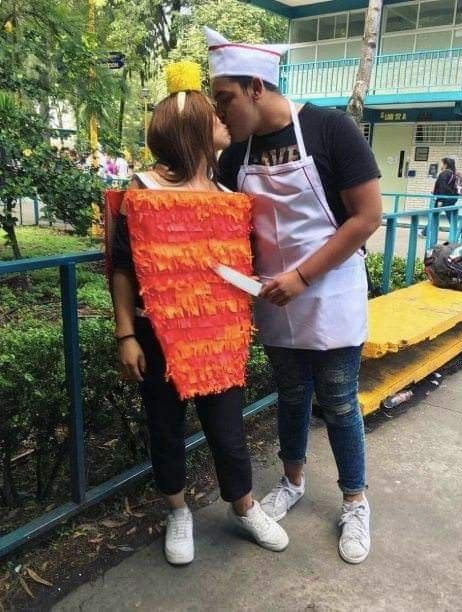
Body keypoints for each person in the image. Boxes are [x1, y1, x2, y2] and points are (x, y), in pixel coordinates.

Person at [205, 27, 383, 564]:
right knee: (289, 396)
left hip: (328, 293)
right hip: (272, 299)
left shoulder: (329, 129)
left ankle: (355, 500)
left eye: (226, 99)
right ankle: (293, 479)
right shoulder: (235, 156)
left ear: (257, 87)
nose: (222, 113)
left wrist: (302, 278)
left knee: (337, 400)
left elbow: (367, 217)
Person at [110, 61, 288, 566]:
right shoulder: (141, 192)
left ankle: (244, 505)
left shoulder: (232, 198)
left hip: (219, 339)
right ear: (194, 130)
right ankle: (178, 511)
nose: (225, 123)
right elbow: (122, 268)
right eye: (215, 117)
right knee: (165, 430)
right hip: (158, 336)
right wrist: (127, 334)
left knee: (228, 432)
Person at [421, 157, 458, 237]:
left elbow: (442, 187)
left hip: (443, 199)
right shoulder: (452, 173)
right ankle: (458, 233)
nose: (441, 165)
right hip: (449, 199)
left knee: (434, 215)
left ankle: (424, 233)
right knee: (449, 217)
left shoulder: (444, 173)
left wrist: (440, 199)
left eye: (442, 163)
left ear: (445, 164)